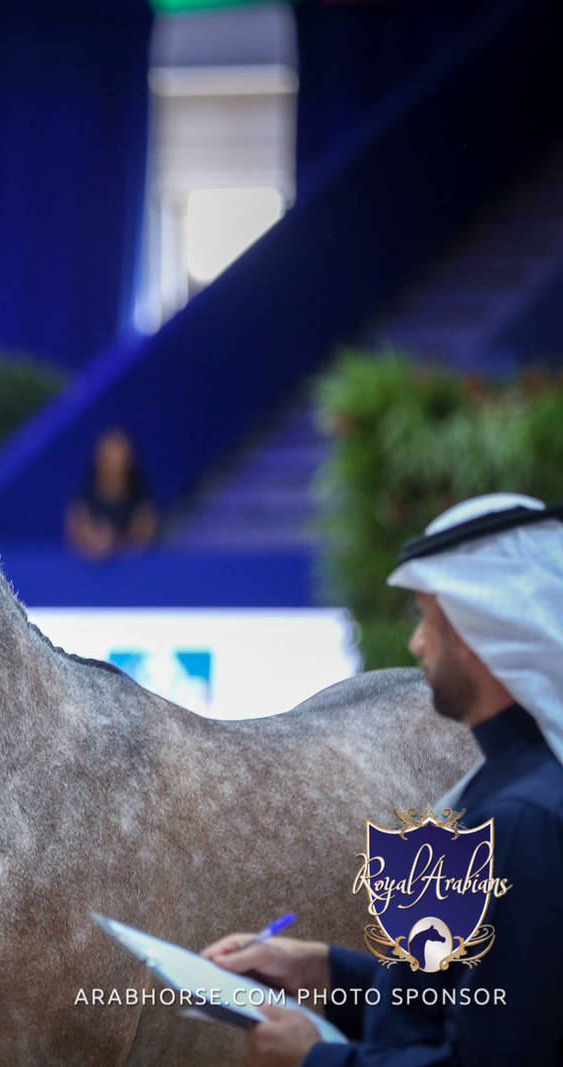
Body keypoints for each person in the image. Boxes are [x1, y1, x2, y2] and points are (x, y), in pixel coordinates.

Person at [203, 492, 563, 1067]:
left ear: (478, 635)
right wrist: (320, 968)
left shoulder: (527, 817)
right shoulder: (505, 785)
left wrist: (317, 1057)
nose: (417, 643)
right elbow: (458, 1000)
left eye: (429, 620)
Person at [65, 426, 157, 560]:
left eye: (118, 453)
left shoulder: (143, 508)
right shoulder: (81, 506)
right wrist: (90, 540)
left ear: (129, 458)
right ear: (98, 457)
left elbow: (143, 543)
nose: (113, 460)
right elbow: (74, 539)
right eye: (108, 454)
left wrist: (114, 542)